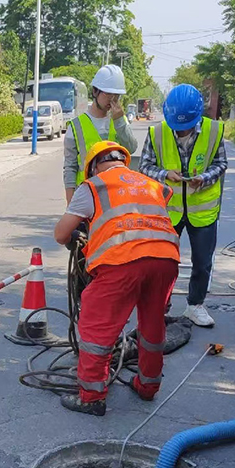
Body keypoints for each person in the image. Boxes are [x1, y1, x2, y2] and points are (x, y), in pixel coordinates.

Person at [54, 141, 180, 416]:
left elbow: (61, 235)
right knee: (152, 322)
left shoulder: (94, 186)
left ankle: (91, 397)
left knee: (96, 326)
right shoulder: (150, 184)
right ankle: (148, 386)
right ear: (122, 160)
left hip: (122, 262)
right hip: (166, 258)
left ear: (94, 167)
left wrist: (79, 236)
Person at [139, 84, 227, 328]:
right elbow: (144, 166)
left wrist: (204, 178)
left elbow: (221, 164)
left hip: (203, 211)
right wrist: (165, 173)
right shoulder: (158, 133)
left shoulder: (213, 131)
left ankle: (195, 305)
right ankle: (160, 306)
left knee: (202, 262)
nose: (181, 131)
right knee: (163, 262)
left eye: (185, 126)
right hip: (168, 211)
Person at [63, 64, 138, 204]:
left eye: (116, 95)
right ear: (95, 91)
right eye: (108, 93)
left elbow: (132, 147)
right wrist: (71, 202)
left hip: (117, 194)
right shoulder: (76, 126)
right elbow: (70, 167)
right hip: (87, 195)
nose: (112, 99)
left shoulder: (119, 121)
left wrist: (120, 122)